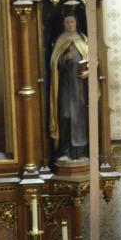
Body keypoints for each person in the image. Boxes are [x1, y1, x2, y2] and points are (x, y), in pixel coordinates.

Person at [49, 14, 89, 161]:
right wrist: (64, 59)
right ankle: (64, 152)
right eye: (67, 22)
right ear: (63, 24)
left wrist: (89, 71)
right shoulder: (60, 40)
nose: (70, 25)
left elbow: (93, 60)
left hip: (80, 88)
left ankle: (81, 153)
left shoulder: (84, 40)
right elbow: (53, 63)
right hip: (65, 86)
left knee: (80, 117)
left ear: (76, 23)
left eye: (72, 22)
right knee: (65, 116)